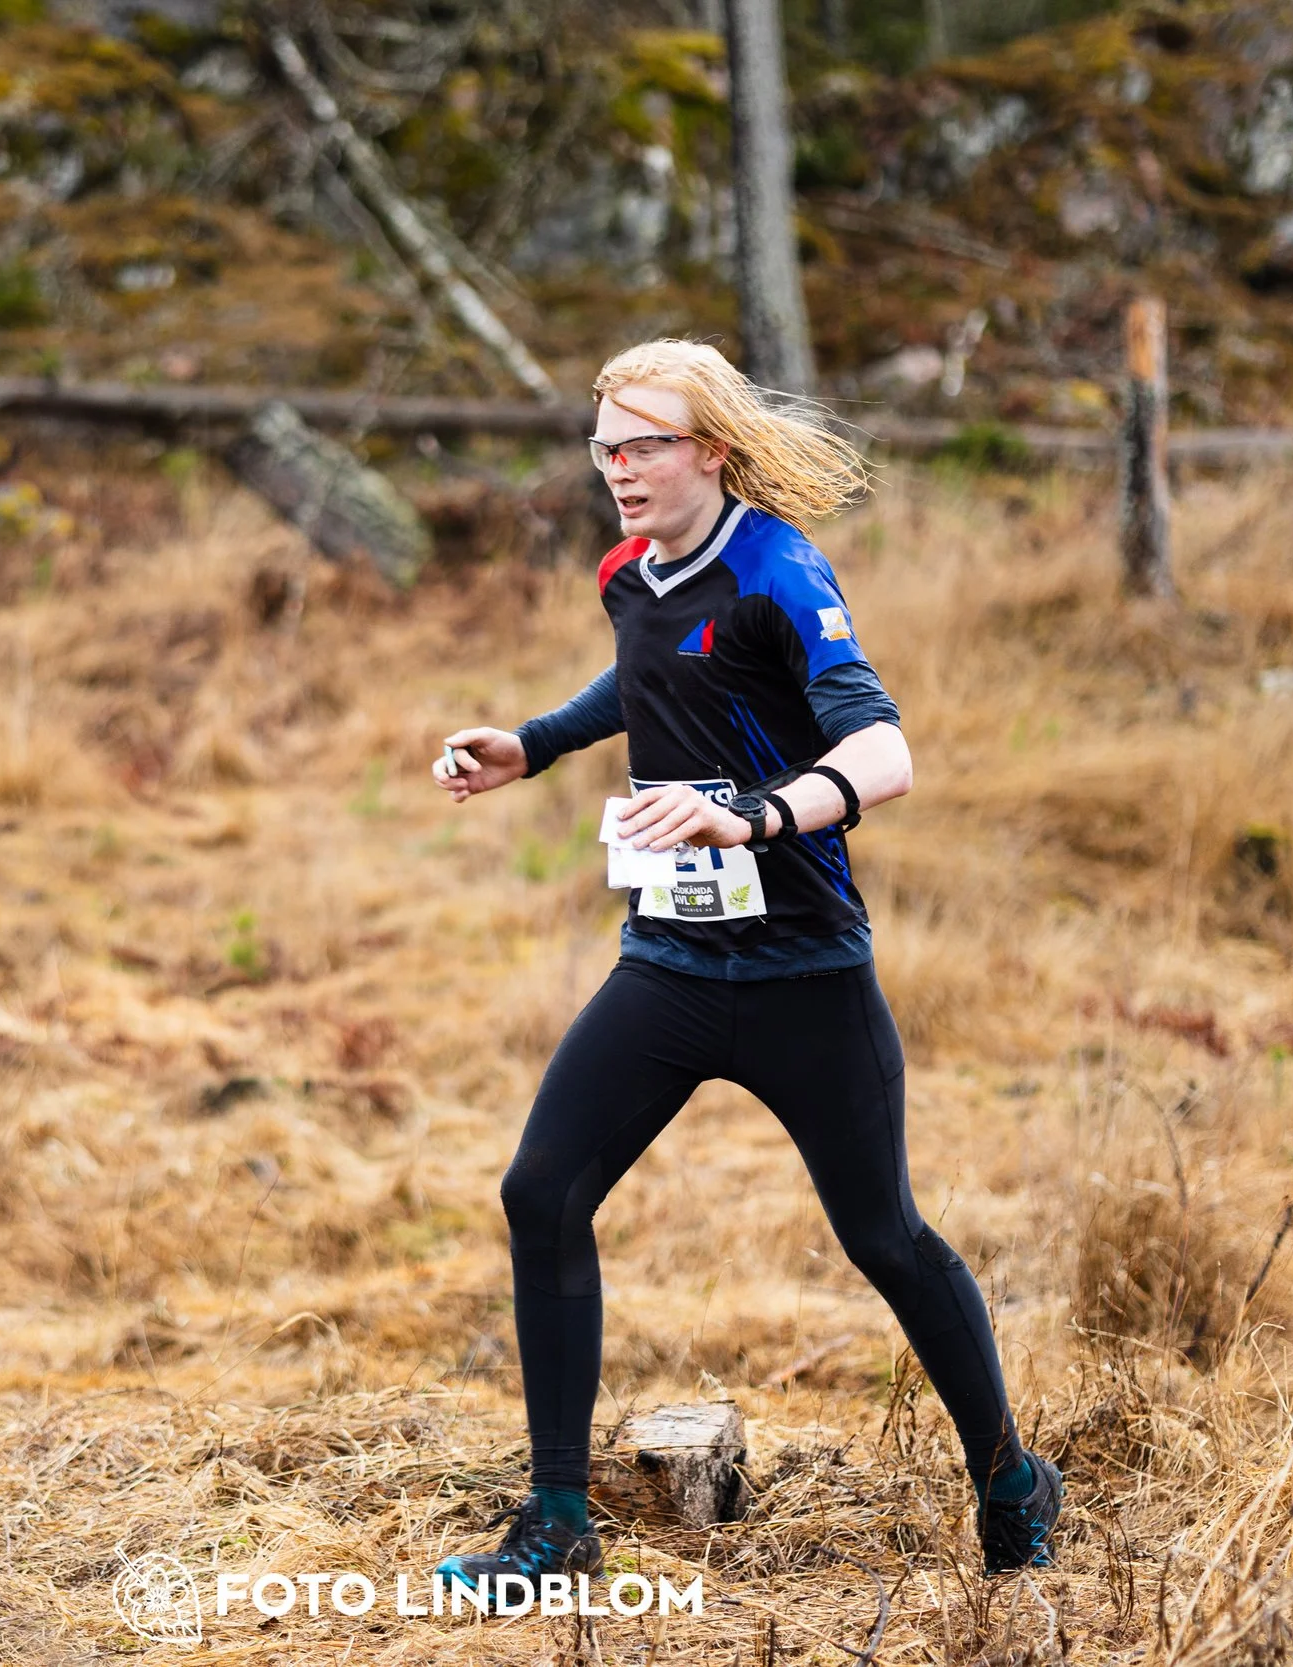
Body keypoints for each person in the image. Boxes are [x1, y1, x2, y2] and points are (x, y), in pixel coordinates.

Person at [428, 340, 1060, 1600]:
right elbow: (655, 668)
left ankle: (1009, 1477)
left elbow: (882, 752)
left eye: (643, 444)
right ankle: (556, 1524)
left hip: (802, 975)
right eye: (604, 447)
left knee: (883, 1235)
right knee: (541, 1192)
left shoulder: (780, 568)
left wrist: (753, 817)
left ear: (711, 449)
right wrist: (535, 743)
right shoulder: (627, 573)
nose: (618, 469)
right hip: (669, 965)